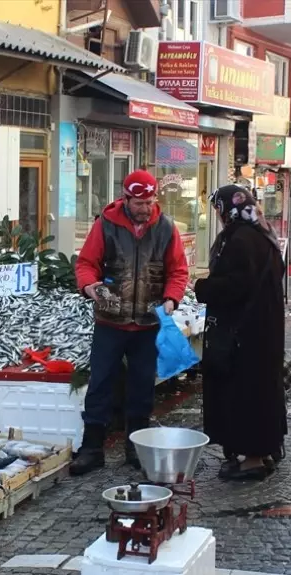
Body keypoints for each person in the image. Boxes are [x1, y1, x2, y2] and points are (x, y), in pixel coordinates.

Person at [71, 170, 190, 476]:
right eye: (139, 203)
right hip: (110, 322)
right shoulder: (106, 224)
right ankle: (92, 449)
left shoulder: (166, 228)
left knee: (142, 389)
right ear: (126, 199)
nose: (145, 208)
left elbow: (178, 271)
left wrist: (171, 299)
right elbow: (86, 263)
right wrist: (89, 287)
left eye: (150, 202)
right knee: (99, 385)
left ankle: (137, 447)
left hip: (148, 324)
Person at [195, 185, 286, 481]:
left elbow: (236, 285)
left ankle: (254, 459)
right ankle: (262, 450)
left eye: (218, 210)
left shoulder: (241, 240)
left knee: (245, 394)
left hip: (244, 334)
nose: (218, 217)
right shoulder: (262, 234)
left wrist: (202, 288)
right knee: (260, 391)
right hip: (262, 331)